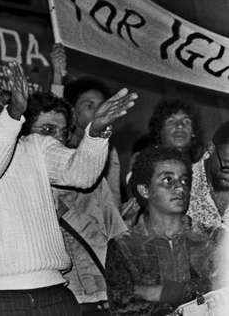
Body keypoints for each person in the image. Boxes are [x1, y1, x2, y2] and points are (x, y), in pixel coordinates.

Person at [0, 63, 137, 315]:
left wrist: (96, 133)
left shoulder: (35, 144)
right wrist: (12, 116)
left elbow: (82, 174)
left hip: (54, 291)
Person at [23, 92, 127, 315]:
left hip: (102, 297)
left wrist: (120, 289)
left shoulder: (92, 178)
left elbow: (117, 236)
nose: (56, 140)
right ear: (23, 136)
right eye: (47, 131)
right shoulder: (16, 186)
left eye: (63, 132)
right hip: (52, 300)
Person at [106, 146, 215, 315]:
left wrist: (162, 293)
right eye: (168, 180)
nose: (180, 188)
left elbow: (221, 291)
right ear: (145, 190)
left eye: (184, 181)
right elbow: (124, 308)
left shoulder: (210, 237)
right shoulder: (125, 246)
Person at [121, 99, 217, 234]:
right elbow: (137, 198)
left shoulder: (202, 166)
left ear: (193, 132)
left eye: (186, 121)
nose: (180, 126)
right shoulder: (142, 161)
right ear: (159, 130)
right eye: (171, 121)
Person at [51, 43, 123, 206]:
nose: (98, 111)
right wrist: (57, 74)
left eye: (102, 105)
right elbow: (54, 114)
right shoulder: (59, 141)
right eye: (89, 105)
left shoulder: (109, 150)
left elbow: (113, 197)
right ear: (72, 111)